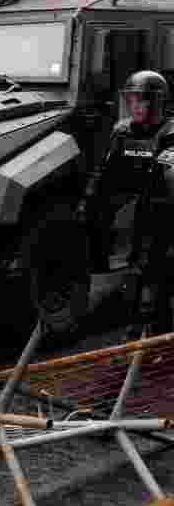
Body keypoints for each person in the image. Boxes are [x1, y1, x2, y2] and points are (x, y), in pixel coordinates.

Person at [77, 70, 174, 338]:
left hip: (167, 214)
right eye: (130, 100)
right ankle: (142, 339)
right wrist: (88, 205)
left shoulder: (171, 132)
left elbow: (170, 179)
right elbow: (103, 173)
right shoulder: (122, 131)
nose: (134, 106)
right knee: (138, 279)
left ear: (157, 103)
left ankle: (157, 340)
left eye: (140, 100)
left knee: (160, 280)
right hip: (138, 215)